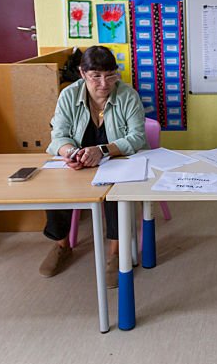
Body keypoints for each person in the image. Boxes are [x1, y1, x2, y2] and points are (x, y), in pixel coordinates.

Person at [42, 46, 146, 285]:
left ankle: (115, 252)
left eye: (110, 75)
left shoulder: (127, 95)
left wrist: (102, 151)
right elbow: (57, 136)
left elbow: (137, 137)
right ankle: (61, 245)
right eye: (95, 76)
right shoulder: (69, 95)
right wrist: (70, 152)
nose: (104, 83)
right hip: (79, 164)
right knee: (55, 191)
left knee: (115, 195)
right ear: (82, 73)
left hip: (116, 161)